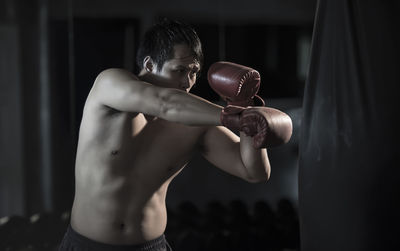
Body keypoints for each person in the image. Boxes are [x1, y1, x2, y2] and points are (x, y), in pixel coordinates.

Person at [59, 19, 292, 251]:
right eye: (180, 70)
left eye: (194, 72)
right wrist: (235, 116)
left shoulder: (194, 125)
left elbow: (255, 172)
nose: (187, 82)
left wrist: (247, 112)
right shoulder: (109, 84)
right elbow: (164, 104)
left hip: (152, 246)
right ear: (149, 65)